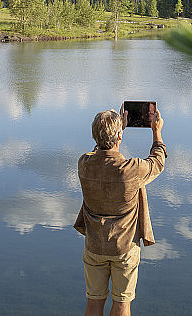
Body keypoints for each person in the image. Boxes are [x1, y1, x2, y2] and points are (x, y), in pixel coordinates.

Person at [74, 107, 166, 316]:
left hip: (94, 246)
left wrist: (112, 134)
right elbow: (158, 161)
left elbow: (98, 153)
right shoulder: (131, 170)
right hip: (124, 249)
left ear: (95, 136)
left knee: (93, 302)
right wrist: (156, 132)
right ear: (119, 136)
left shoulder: (84, 164)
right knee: (122, 303)